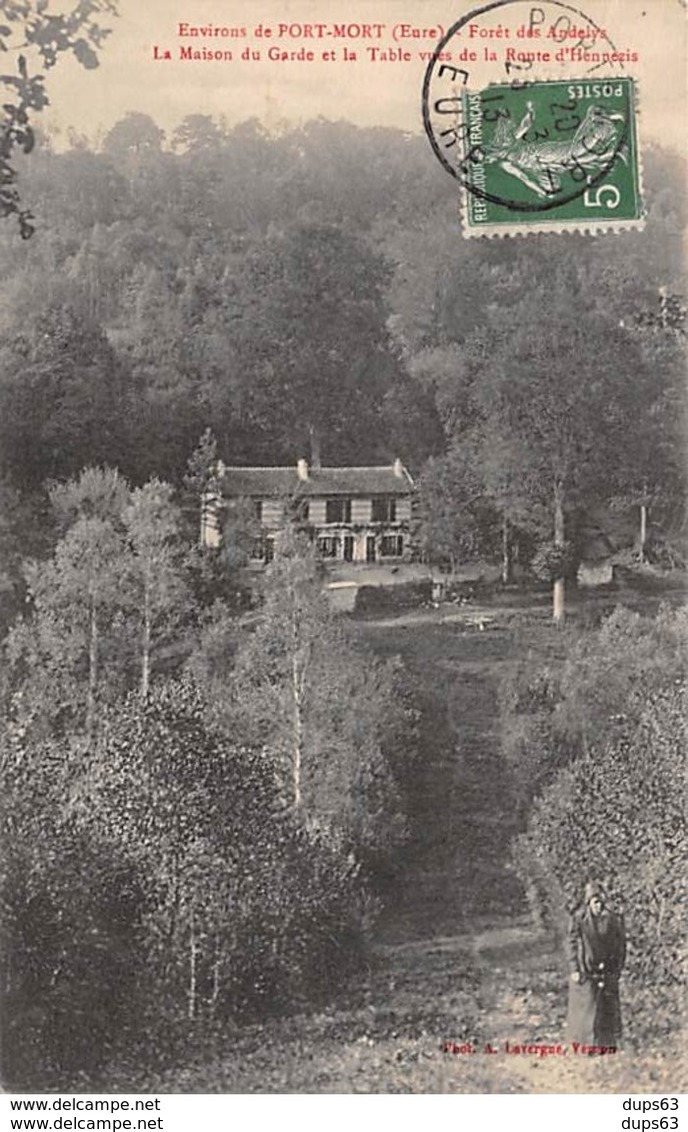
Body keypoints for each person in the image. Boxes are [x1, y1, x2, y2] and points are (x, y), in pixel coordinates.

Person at [566, 880, 626, 1047]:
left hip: (606, 969)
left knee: (606, 1007)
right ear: (588, 903)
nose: (598, 906)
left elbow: (620, 943)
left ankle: (607, 1044)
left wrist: (617, 967)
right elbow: (571, 943)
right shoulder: (579, 919)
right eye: (595, 902)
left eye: (601, 902)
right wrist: (574, 968)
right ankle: (583, 1044)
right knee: (587, 1008)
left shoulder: (611, 919)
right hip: (586, 970)